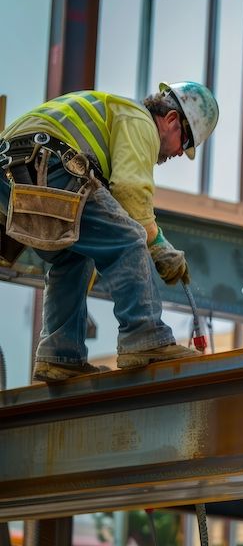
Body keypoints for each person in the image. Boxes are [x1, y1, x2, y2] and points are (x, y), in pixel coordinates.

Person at [0, 82, 219, 382]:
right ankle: (144, 336)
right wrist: (158, 244)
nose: (181, 153)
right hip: (46, 161)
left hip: (15, 170)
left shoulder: (113, 114)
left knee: (74, 255)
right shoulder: (138, 119)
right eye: (186, 142)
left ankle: (60, 354)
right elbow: (130, 191)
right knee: (129, 238)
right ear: (170, 120)